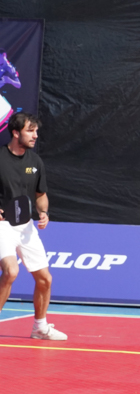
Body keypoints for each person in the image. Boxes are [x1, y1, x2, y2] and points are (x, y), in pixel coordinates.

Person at [0, 112, 66, 341]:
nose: (35, 135)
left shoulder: (35, 162)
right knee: (11, 272)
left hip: (25, 225)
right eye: (30, 130)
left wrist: (44, 212)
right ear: (15, 132)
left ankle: (40, 327)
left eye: (36, 131)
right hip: (2, 225)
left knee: (45, 279)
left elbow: (41, 195)